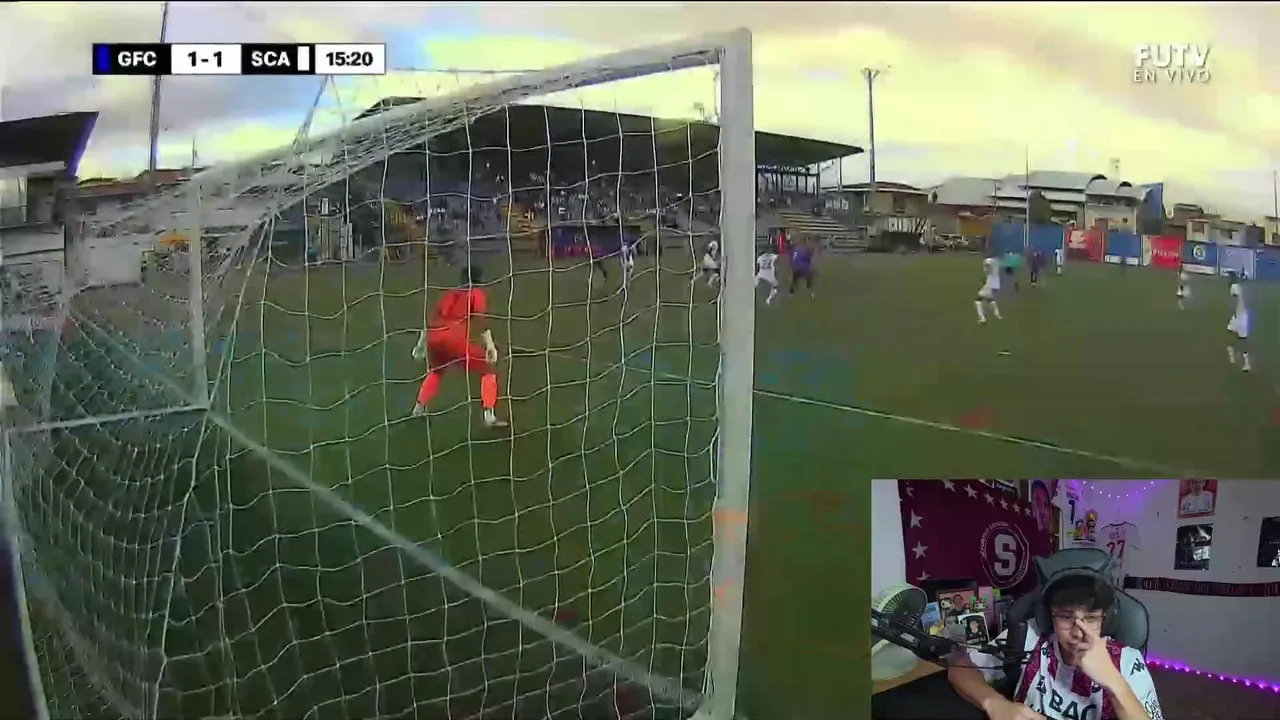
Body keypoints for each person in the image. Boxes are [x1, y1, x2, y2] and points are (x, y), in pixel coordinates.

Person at [949, 574, 1162, 720]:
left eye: (1091, 618)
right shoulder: (1028, 637)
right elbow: (960, 668)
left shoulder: (1127, 660)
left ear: (1105, 620)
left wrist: (1114, 682)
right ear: (1048, 616)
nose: (1078, 632)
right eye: (1066, 617)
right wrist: (995, 703)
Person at [411, 265, 509, 428]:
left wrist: (420, 345)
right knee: (488, 370)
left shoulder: (448, 295)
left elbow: (430, 322)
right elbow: (480, 321)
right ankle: (489, 416)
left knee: (436, 371)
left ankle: (418, 409)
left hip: (435, 339)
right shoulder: (476, 294)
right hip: (454, 340)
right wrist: (490, 345)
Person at [1227, 272, 1250, 371]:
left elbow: (1235, 299)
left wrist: (1232, 310)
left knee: (1233, 336)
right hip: (1243, 316)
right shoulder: (1239, 287)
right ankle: (1245, 362)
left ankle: (1234, 356)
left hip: (1238, 317)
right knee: (1240, 338)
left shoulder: (1234, 287)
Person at [976, 256, 1004, 323]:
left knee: (978, 300)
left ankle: (982, 318)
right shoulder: (995, 270)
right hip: (993, 284)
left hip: (989, 284)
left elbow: (986, 270)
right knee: (991, 299)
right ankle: (997, 315)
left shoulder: (989, 269)